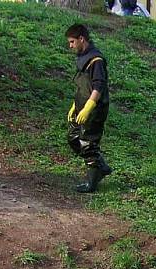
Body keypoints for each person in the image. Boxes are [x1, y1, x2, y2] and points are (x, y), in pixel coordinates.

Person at [65, 24, 112, 194]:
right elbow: (82, 86)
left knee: (87, 143)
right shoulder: (83, 58)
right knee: (73, 138)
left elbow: (98, 86)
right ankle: (100, 166)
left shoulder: (96, 60)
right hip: (81, 105)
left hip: (94, 109)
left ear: (81, 39)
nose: (70, 46)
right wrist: (75, 106)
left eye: (72, 42)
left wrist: (88, 108)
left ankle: (92, 182)